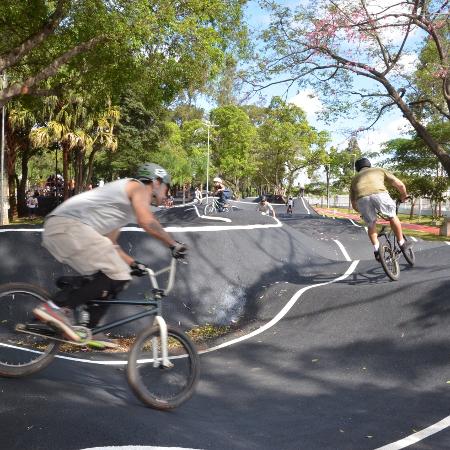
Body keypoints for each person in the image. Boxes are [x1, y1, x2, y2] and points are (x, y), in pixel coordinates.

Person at [32, 162, 187, 343]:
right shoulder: (137, 187)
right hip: (69, 226)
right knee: (118, 274)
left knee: (116, 277)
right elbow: (147, 222)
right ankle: (56, 307)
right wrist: (173, 244)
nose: (167, 194)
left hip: (61, 230)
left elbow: (110, 243)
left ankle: (91, 329)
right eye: (167, 188)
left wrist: (133, 263)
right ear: (157, 182)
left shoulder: (123, 208)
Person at [350, 157, 412, 262]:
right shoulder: (378, 170)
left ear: (357, 169)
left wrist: (361, 212)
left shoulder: (354, 179)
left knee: (371, 224)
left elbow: (353, 203)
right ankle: (402, 243)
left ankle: (377, 250)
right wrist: (404, 195)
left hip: (362, 199)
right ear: (369, 165)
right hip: (379, 194)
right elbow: (400, 184)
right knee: (392, 216)